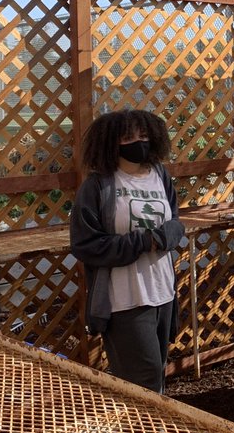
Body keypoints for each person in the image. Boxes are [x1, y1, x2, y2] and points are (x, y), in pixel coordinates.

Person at [71, 109, 186, 392]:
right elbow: (86, 244)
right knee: (141, 382)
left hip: (163, 293)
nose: (138, 142)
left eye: (144, 135)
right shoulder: (99, 185)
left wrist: (171, 234)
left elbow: (173, 221)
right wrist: (144, 242)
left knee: (156, 374)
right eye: (128, 137)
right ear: (111, 142)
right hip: (125, 300)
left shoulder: (159, 175)